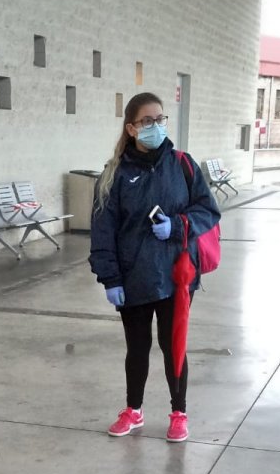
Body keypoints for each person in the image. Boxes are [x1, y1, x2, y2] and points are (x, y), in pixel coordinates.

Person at [88, 92, 220, 443]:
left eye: (160, 119)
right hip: (133, 279)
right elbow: (103, 231)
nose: (156, 126)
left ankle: (179, 412)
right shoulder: (113, 175)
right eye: (147, 121)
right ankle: (134, 409)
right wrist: (109, 277)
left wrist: (176, 226)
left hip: (177, 276)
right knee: (137, 348)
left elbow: (208, 211)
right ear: (131, 128)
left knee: (173, 345)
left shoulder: (182, 165)